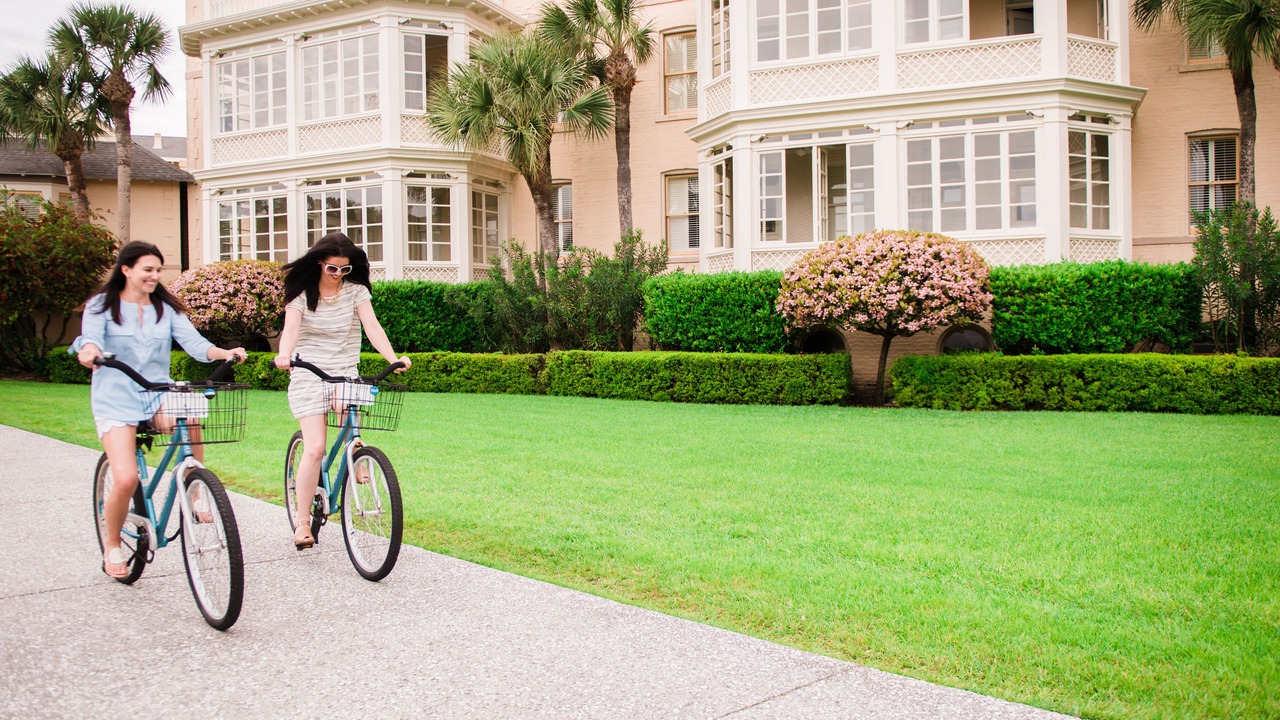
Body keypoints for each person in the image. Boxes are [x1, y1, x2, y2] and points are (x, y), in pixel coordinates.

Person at [72, 241, 245, 579]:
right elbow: (89, 339)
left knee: (189, 416)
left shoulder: (166, 309)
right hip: (116, 398)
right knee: (126, 479)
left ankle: (195, 490)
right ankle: (112, 545)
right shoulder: (102, 306)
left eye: (158, 270)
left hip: (156, 393)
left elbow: (195, 344)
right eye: (147, 270)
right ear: (126, 270)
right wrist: (89, 351)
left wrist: (224, 353)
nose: (154, 276)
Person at [273, 232, 411, 550]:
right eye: (333, 268)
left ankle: (356, 455)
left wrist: (393, 359)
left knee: (349, 409)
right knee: (315, 448)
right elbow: (290, 330)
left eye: (344, 269)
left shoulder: (355, 291)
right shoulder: (302, 294)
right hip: (308, 372)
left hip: (344, 370)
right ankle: (303, 521)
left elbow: (372, 326)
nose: (338, 274)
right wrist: (284, 354)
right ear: (320, 263)